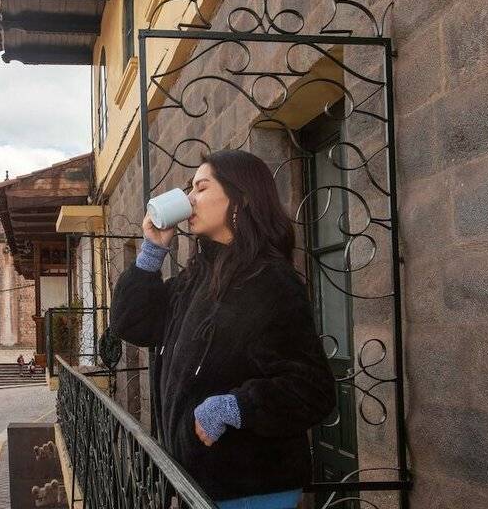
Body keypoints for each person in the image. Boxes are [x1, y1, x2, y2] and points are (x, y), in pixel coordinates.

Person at [110, 150, 337, 508]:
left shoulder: (269, 280)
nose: (189, 199)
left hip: (250, 490)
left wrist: (236, 406)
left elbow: (312, 388)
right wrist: (152, 251)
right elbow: (133, 323)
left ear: (240, 198)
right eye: (190, 189)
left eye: (201, 187)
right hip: (198, 485)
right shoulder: (195, 279)